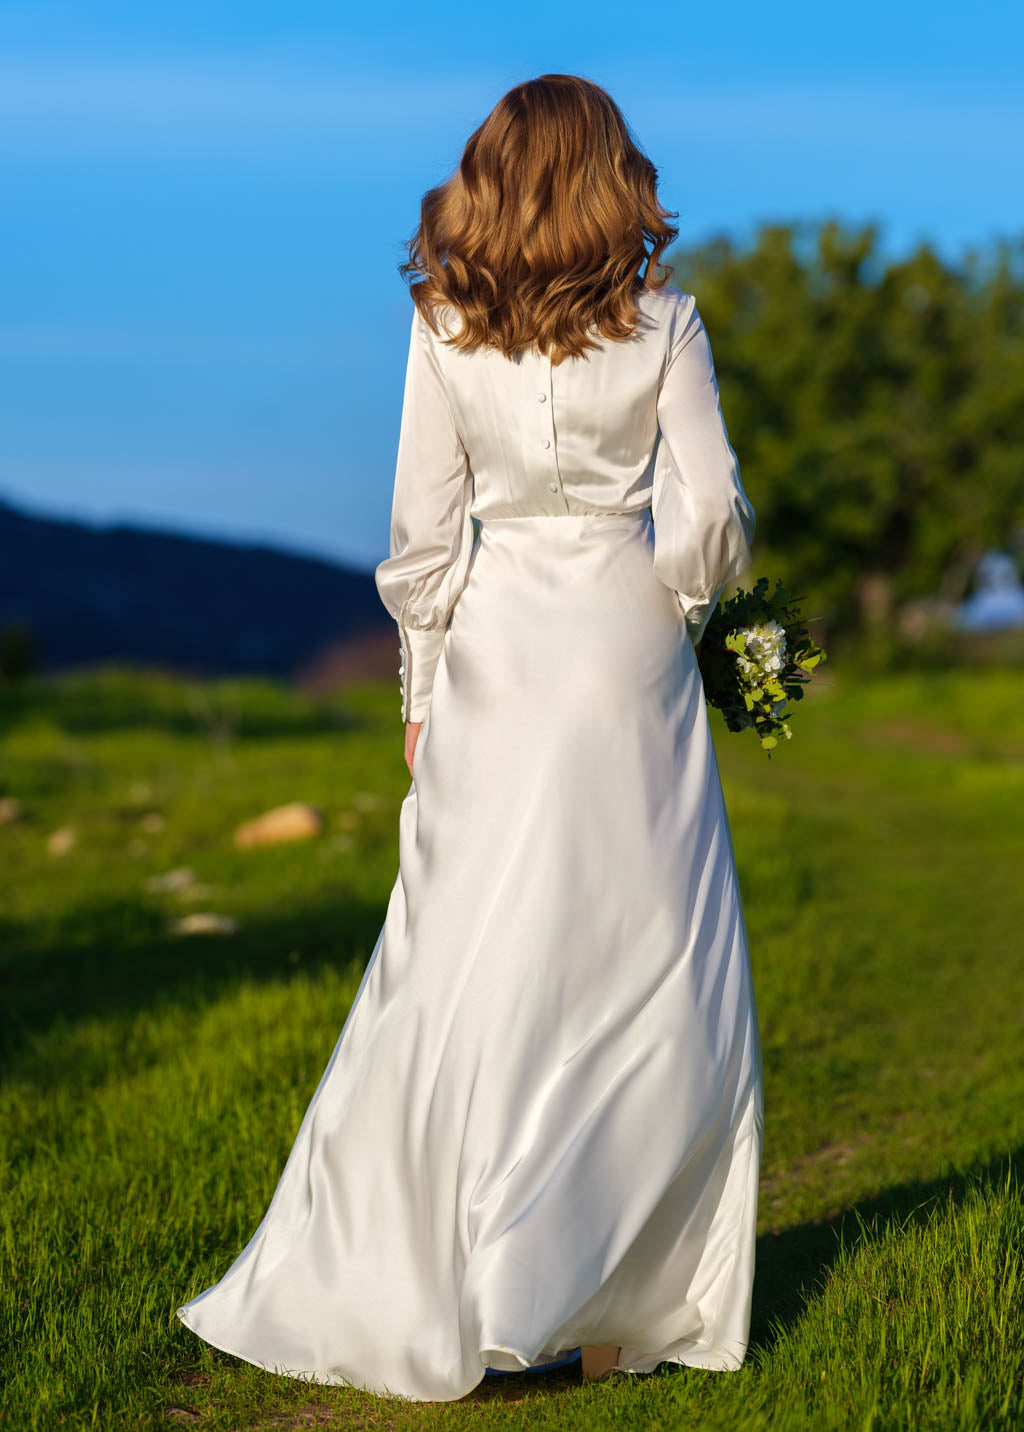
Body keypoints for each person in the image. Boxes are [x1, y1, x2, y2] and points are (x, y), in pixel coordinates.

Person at [177, 72, 763, 1402]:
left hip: (498, 644)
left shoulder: (440, 329)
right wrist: (686, 601)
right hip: (624, 645)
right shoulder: (668, 325)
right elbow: (712, 509)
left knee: (466, 949)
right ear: (616, 178)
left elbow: (422, 536)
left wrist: (419, 691)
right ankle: (621, 1302)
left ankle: (454, 1267)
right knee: (644, 957)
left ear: (486, 180)